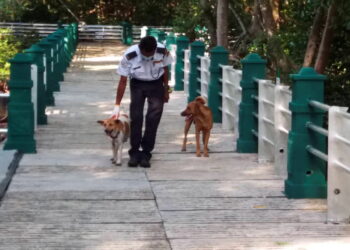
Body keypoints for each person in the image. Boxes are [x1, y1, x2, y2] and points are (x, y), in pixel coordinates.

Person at [112, 36, 173, 168]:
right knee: (136, 117)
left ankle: (146, 153)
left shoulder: (162, 51)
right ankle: (134, 153)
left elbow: (165, 70)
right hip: (137, 85)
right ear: (140, 49)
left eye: (151, 54)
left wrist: (166, 90)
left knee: (153, 119)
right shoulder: (130, 55)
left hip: (156, 85)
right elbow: (123, 81)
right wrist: (117, 104)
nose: (149, 57)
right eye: (146, 54)